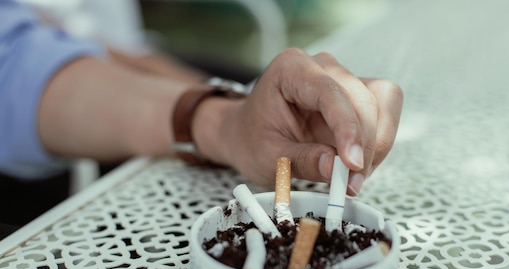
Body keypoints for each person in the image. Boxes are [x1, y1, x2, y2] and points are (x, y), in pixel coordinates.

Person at [0, 0, 403, 205]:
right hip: (55, 137)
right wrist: (226, 112)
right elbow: (20, 58)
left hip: (130, 56)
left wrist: (234, 110)